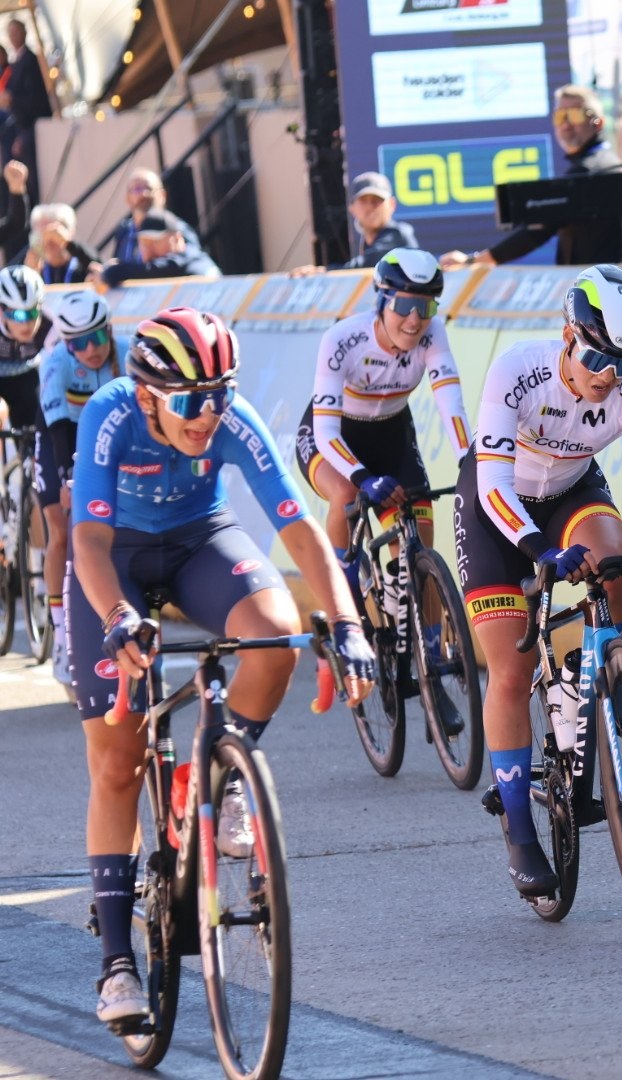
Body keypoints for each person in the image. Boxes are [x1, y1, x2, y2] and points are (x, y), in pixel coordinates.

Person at [69, 307, 375, 1030]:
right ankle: (117, 961)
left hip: (200, 538)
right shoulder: (110, 417)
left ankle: (210, 777)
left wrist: (351, 623)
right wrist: (117, 618)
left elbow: (298, 528)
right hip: (114, 558)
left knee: (276, 634)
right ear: (147, 395)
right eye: (189, 402)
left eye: (219, 396)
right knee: (115, 763)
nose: (207, 415)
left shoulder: (229, 419)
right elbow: (85, 538)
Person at [455, 263, 622, 899]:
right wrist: (539, 549)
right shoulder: (520, 367)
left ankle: (600, 665)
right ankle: (519, 829)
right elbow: (491, 483)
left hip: (571, 492)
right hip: (499, 507)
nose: (607, 376)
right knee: (511, 672)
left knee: (616, 567)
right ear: (569, 334)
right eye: (596, 356)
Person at [294, 248, 469, 722]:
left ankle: (431, 657)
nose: (415, 320)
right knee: (348, 498)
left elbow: (450, 402)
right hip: (333, 437)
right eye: (405, 306)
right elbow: (327, 434)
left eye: (426, 306)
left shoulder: (432, 333)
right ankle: (343, 603)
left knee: (421, 541)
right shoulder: (342, 339)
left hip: (392, 433)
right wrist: (363, 477)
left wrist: (470, 462)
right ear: (382, 300)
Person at [440, 85, 622, 270]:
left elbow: (537, 232)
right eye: (559, 117)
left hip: (603, 296)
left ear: (598, 123)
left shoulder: (590, 170)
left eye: (573, 115)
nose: (565, 125)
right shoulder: (606, 162)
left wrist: (471, 261)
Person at [37, 290, 125, 685]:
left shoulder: (128, 353)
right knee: (59, 529)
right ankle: (60, 635)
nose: (90, 350)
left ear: (109, 330)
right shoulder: (55, 364)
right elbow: (59, 432)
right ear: (65, 343)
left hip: (111, 435)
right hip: (65, 435)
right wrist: (68, 479)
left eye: (96, 338)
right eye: (77, 343)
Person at [290, 172, 419, 277]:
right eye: (363, 201)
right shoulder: (367, 241)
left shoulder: (398, 234)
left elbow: (367, 264)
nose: (370, 207)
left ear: (392, 204)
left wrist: (323, 271)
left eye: (377, 200)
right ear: (352, 208)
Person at [97, 209, 221, 288]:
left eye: (154, 241)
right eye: (143, 243)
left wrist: (108, 272)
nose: (147, 249)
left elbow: (158, 269)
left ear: (177, 239)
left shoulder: (189, 256)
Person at [106, 169, 203, 267]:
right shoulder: (125, 231)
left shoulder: (176, 228)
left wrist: (118, 273)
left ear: (162, 195)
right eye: (137, 189)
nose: (144, 194)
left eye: (148, 188)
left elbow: (193, 262)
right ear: (127, 199)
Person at [1, 19, 48, 205]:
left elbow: (34, 98)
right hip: (18, 126)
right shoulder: (17, 61)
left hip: (28, 127)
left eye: (15, 32)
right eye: (10, 33)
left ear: (24, 33)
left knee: (29, 179)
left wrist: (11, 99)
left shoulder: (29, 60)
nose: (13, 37)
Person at [0, 263, 49, 431]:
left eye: (33, 312)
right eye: (18, 314)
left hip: (27, 377)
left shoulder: (50, 327)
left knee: (38, 428)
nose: (27, 323)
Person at [25, 202, 99, 284]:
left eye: (54, 234)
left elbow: (101, 268)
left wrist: (68, 244)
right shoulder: (38, 270)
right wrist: (29, 276)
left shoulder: (84, 265)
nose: (48, 241)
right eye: (42, 234)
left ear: (69, 233)